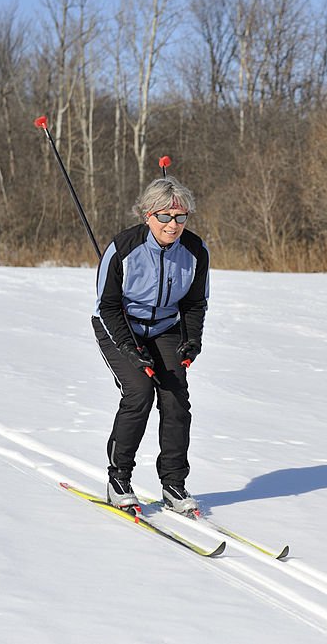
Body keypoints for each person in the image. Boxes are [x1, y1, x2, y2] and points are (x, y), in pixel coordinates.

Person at [91, 176, 209, 514]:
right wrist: (130, 348)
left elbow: (194, 303)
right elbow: (108, 306)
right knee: (139, 393)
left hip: (165, 328)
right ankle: (119, 479)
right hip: (119, 327)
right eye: (164, 217)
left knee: (175, 400)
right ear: (148, 215)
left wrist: (191, 341)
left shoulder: (196, 251)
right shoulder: (124, 248)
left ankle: (173, 483)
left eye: (180, 218)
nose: (173, 226)